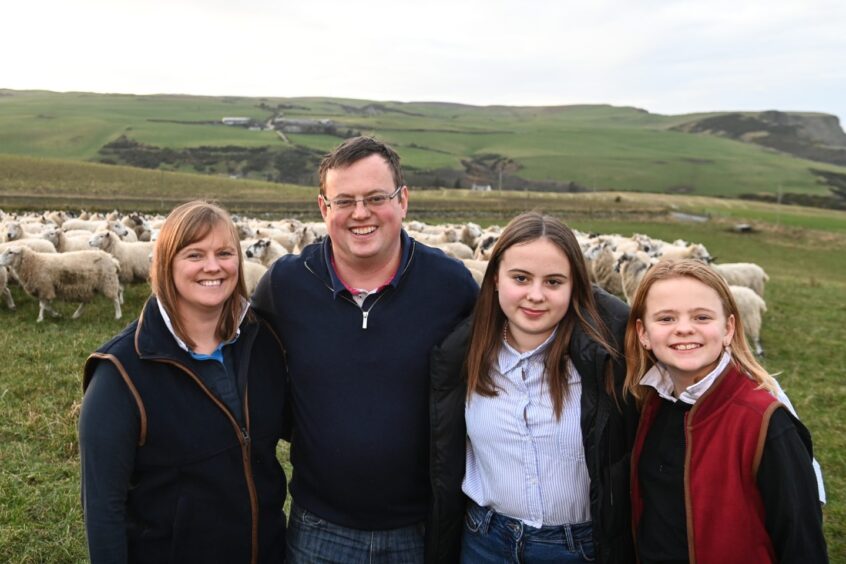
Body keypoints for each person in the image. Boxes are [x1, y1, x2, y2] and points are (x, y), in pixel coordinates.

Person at [251, 136, 479, 563]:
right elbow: (237, 354)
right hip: (320, 527)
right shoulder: (285, 285)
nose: (360, 213)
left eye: (376, 197)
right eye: (344, 201)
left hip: (421, 527)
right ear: (323, 209)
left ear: (403, 200)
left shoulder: (451, 286)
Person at [79, 201, 288, 563]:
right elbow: (103, 508)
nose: (213, 266)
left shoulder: (263, 342)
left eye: (225, 252)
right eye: (194, 254)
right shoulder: (121, 372)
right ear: (166, 264)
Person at [460, 211, 637, 563]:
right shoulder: (460, 357)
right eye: (521, 278)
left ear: (575, 286)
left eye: (554, 282)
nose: (535, 295)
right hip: (484, 541)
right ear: (495, 278)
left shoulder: (610, 358)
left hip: (578, 547)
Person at [624, 259, 828, 563]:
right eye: (666, 318)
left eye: (702, 317)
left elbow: (801, 544)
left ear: (729, 328)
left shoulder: (765, 423)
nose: (684, 329)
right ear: (643, 333)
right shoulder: (651, 403)